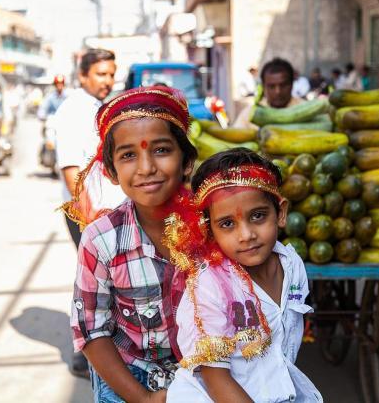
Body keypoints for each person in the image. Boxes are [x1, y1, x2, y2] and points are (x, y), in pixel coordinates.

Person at [65, 86, 198, 402]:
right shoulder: (101, 240)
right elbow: (92, 332)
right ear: (111, 170)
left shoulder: (215, 228)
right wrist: (144, 399)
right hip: (129, 379)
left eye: (162, 150)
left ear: (187, 161)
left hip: (208, 375)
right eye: (128, 155)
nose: (146, 168)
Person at [164, 148, 322, 403]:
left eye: (258, 216)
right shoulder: (209, 286)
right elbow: (217, 379)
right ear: (210, 231)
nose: (246, 234)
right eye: (227, 224)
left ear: (280, 213)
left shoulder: (292, 265)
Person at [54, 49, 127, 377]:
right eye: (101, 74)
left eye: (111, 74)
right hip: (89, 213)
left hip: (105, 211)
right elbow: (71, 171)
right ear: (83, 75)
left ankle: (103, 347)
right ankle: (86, 355)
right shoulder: (73, 110)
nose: (107, 80)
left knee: (105, 284)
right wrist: (90, 221)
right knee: (93, 284)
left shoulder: (98, 107)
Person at [234, 58, 304, 130]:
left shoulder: (305, 111)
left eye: (283, 85)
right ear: (263, 87)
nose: (278, 91)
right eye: (271, 86)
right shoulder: (249, 114)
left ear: (292, 84)